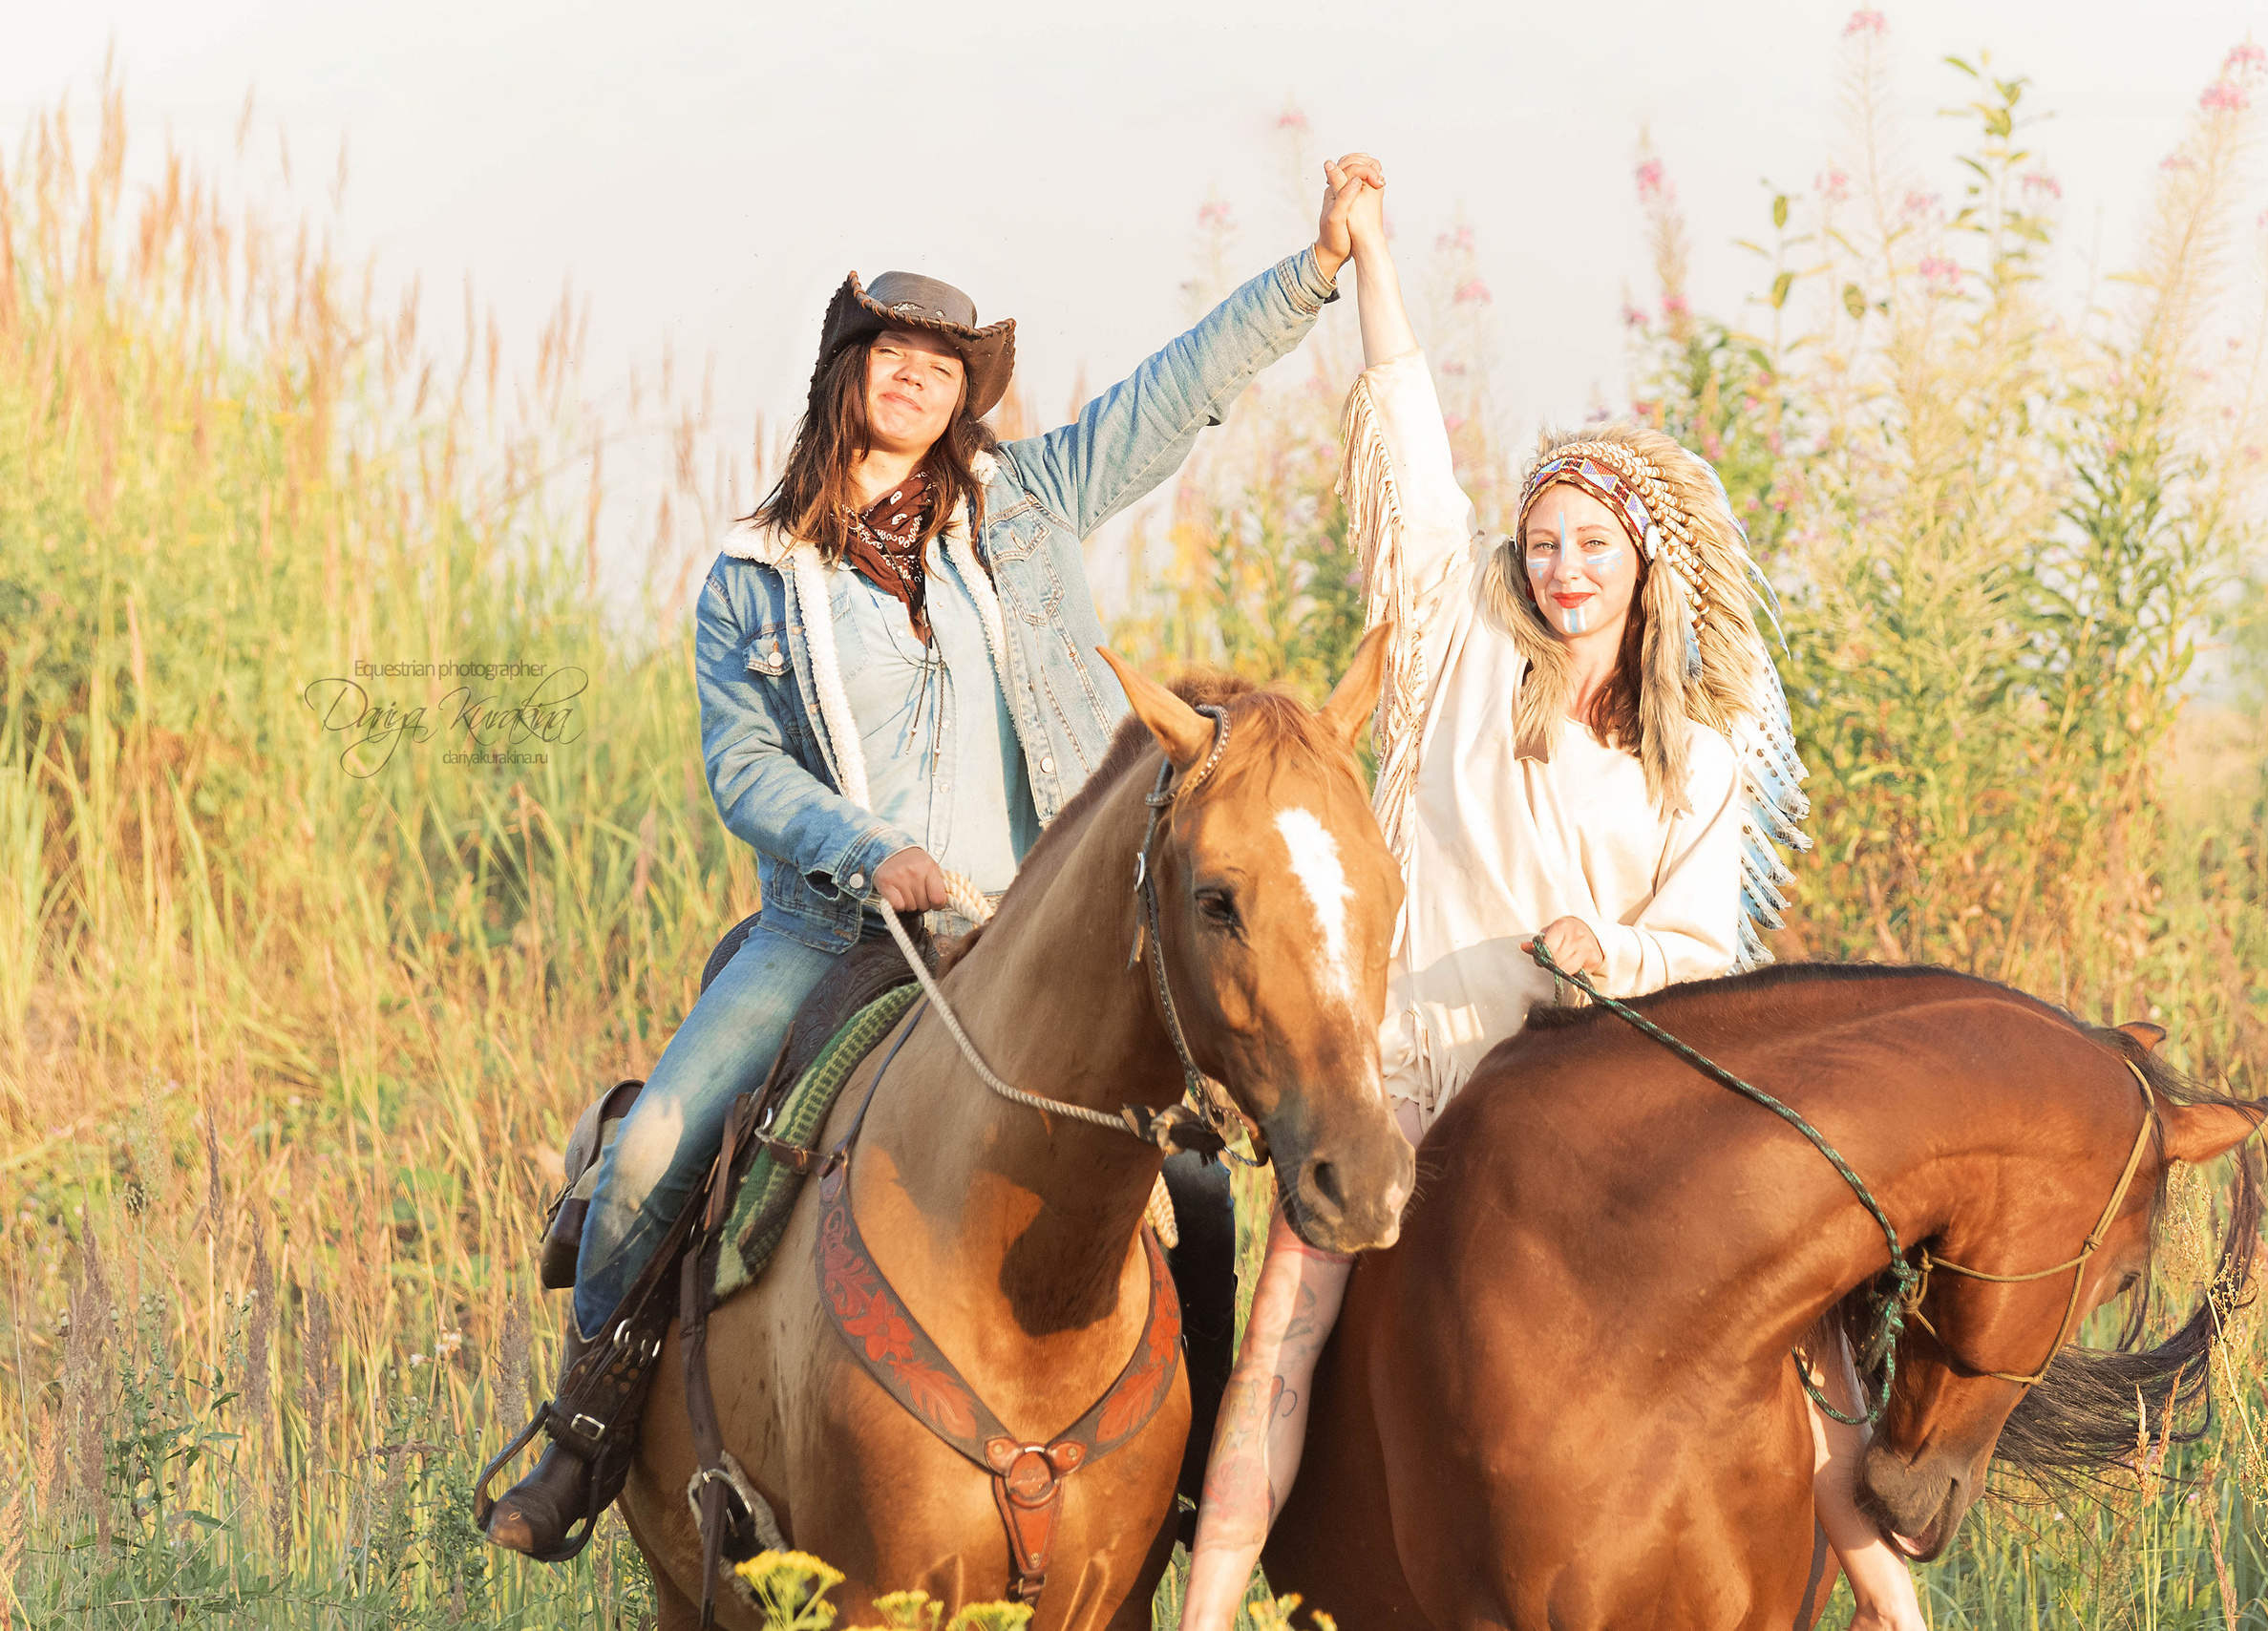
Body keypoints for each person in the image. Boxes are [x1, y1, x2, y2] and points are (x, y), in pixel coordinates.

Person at [483, 154, 1389, 1557]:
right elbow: (744, 766)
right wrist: (870, 851)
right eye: (891, 352)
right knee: (660, 1136)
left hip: (1022, 925)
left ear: (971, 394)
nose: (915, 376)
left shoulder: (1022, 510)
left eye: (943, 362)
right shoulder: (754, 572)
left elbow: (1170, 400)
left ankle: (1204, 1483)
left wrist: (1315, 270)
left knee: (1197, 1181)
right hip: (832, 927)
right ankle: (590, 1432)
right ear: (845, 373)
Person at [1176, 165, 1927, 1630]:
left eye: (1594, 545)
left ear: (1645, 565)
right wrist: (1375, 259)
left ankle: (1897, 1612)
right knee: (1283, 1335)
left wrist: (1608, 949)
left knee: (1813, 1340)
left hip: (1621, 1073)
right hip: (1428, 1066)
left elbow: (1705, 944)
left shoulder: (1693, 747)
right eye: (1546, 540)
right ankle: (1207, 1612)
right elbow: (1406, 453)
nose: (1563, 566)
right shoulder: (1461, 656)